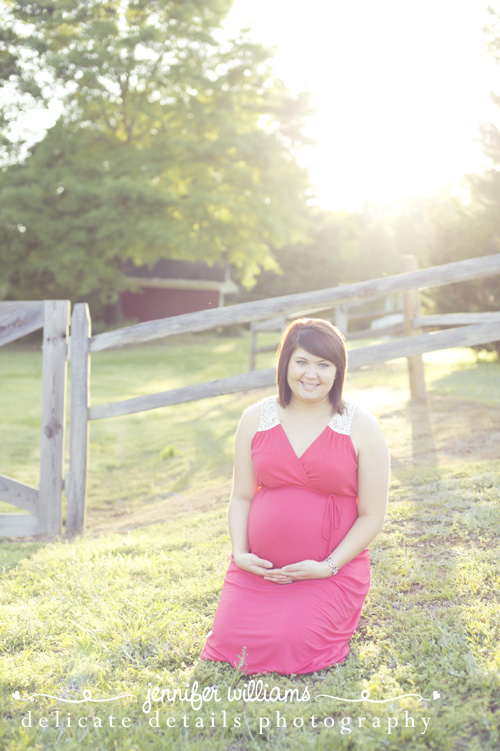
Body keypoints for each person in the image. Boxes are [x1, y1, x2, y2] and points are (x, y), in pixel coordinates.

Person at [200, 317, 389, 675]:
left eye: (323, 364)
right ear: (285, 362)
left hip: (329, 572)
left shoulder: (361, 426)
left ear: (338, 371)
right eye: (301, 361)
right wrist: (241, 554)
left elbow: (371, 516)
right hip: (259, 572)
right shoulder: (255, 418)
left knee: (294, 646)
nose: (311, 374)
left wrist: (327, 566)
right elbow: (241, 497)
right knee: (228, 642)